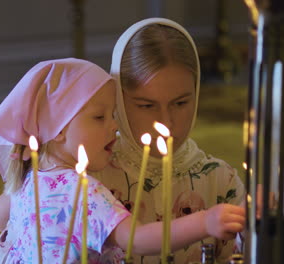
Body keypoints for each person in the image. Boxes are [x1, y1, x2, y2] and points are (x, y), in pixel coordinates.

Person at [0, 57, 245, 263]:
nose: (114, 126)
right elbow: (138, 239)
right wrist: (205, 221)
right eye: (100, 117)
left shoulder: (31, 174)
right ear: (59, 128)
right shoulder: (82, 192)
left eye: (114, 114)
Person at [92, 17, 246, 264]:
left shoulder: (219, 180)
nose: (166, 122)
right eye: (147, 105)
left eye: (180, 103)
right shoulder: (91, 175)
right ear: (119, 100)